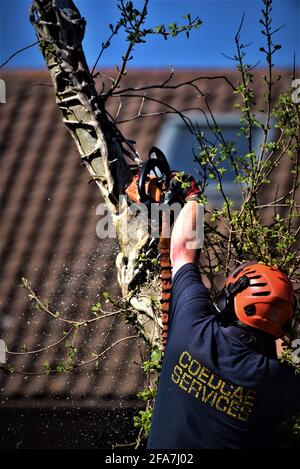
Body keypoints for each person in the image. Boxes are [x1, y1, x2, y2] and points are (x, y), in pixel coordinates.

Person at [147, 185, 300, 449]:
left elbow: (182, 249)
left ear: (229, 300)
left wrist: (192, 195)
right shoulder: (279, 383)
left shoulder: (192, 327)